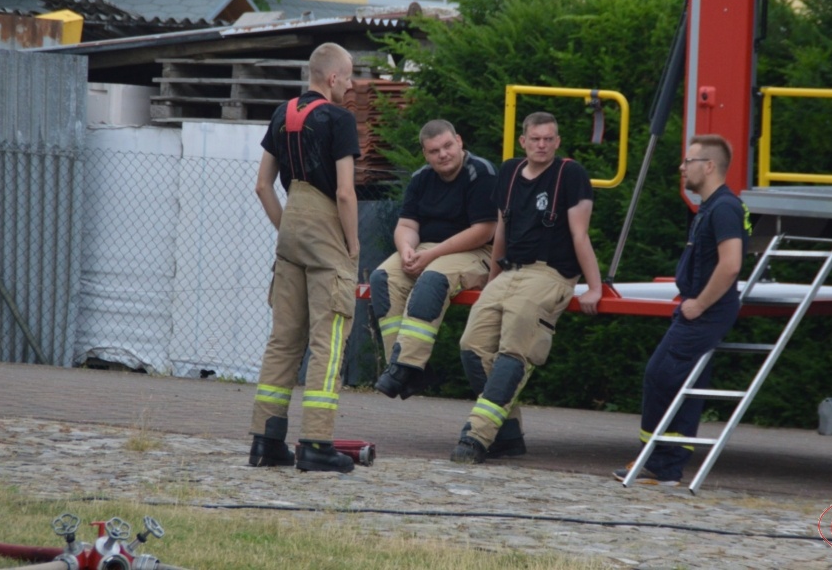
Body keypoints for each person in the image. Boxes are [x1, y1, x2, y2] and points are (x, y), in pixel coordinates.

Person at [450, 111, 603, 464]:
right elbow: (501, 228)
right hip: (508, 273)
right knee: (471, 347)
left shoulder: (571, 174)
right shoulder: (509, 172)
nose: (542, 145)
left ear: (558, 141)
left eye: (549, 139)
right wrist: (492, 281)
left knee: (513, 353)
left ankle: (476, 436)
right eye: (535, 139)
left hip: (549, 275)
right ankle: (508, 435)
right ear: (523, 141)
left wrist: (593, 287)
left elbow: (580, 234)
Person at [248, 42, 361, 473]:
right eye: (348, 78)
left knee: (283, 339)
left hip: (291, 225)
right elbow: (346, 193)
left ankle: (266, 441)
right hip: (327, 225)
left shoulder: (282, 113)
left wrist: (287, 231)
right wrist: (351, 245)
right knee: (328, 339)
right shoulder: (339, 119)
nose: (351, 86)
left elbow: (262, 186)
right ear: (332, 78)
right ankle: (315, 443)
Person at [614, 134, 750, 486]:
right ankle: (665, 465)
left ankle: (659, 463)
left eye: (688, 161)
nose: (681, 167)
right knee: (683, 382)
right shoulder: (712, 206)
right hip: (699, 310)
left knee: (661, 375)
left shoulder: (723, 208)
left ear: (708, 166)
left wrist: (699, 304)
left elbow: (731, 264)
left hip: (705, 312)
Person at [370, 119, 497, 401]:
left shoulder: (481, 173)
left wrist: (431, 255)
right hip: (429, 249)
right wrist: (406, 250)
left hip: (476, 252)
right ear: (425, 154)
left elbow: (484, 231)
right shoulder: (420, 178)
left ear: (460, 141)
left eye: (448, 146)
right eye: (434, 150)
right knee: (382, 277)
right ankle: (407, 369)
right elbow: (407, 225)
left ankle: (404, 367)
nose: (443, 154)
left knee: (433, 278)